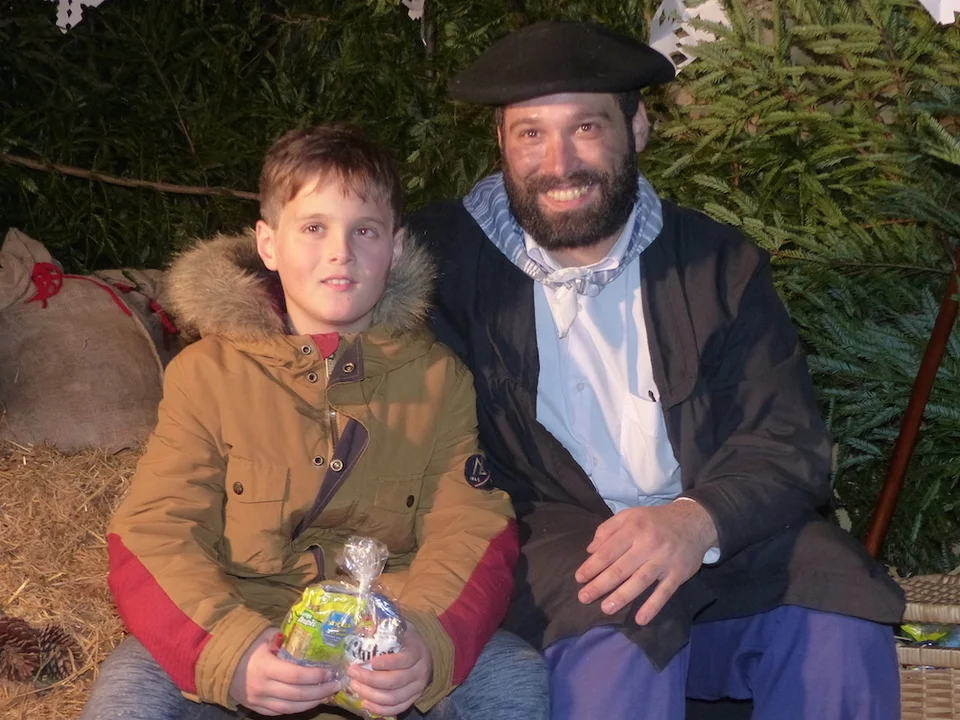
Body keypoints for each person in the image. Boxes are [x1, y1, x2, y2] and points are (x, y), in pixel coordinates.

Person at [406, 20, 906, 720]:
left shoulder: (718, 264)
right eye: (531, 134)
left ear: (637, 127)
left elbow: (786, 444)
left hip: (714, 533)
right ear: (501, 142)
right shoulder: (436, 262)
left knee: (838, 606)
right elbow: (320, 277)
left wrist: (697, 521)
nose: (559, 163)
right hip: (546, 542)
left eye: (586, 128)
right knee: (623, 608)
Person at [81, 123, 548, 720]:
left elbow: (471, 525)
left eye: (365, 230)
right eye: (313, 228)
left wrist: (425, 642)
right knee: (133, 687)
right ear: (268, 244)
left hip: (382, 635)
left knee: (511, 674)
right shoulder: (205, 374)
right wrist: (229, 651)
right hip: (248, 624)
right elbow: (155, 529)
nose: (340, 251)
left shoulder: (438, 377)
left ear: (395, 246)